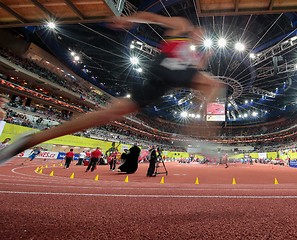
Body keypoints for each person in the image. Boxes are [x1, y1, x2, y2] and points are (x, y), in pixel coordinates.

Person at [0, 12, 224, 165]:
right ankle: (199, 136)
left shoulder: (194, 53)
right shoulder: (182, 25)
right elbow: (151, 17)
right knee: (214, 85)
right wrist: (129, 19)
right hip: (165, 69)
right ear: (199, 29)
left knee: (108, 114)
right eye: (203, 34)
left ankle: (27, 141)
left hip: (162, 82)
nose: (201, 37)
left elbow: (195, 70)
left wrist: (205, 57)